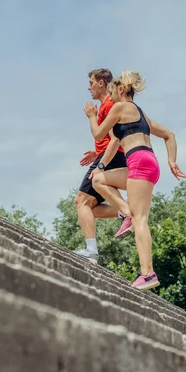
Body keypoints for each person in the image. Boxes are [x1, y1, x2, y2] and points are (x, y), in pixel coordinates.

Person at [83, 70, 186, 290]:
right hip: (150, 162)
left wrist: (92, 116)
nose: (109, 99)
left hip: (138, 161)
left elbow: (99, 134)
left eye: (111, 93)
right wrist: (172, 161)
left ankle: (147, 273)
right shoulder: (140, 114)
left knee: (141, 220)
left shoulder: (120, 108)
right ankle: (126, 213)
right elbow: (169, 135)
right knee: (98, 179)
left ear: (120, 90)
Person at [73, 68, 130, 264]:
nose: (88, 87)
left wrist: (101, 163)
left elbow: (113, 138)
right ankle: (125, 211)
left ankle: (91, 252)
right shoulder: (109, 105)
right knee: (90, 207)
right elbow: (108, 138)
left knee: (81, 202)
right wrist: (96, 152)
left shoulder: (108, 105)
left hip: (110, 158)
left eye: (91, 82)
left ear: (101, 83)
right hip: (109, 156)